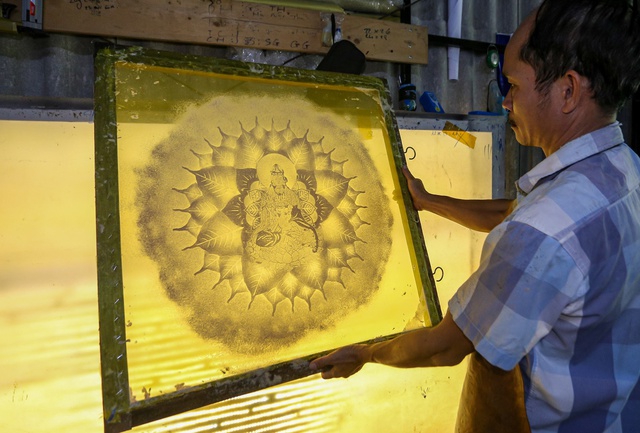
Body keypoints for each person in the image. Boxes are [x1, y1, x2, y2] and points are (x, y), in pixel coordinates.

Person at [309, 1, 640, 431]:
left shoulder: (541, 232)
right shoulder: (622, 171)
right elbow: (520, 215)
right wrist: (430, 201)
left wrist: (366, 353)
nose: (505, 102)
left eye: (515, 85)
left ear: (568, 91)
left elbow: (442, 348)